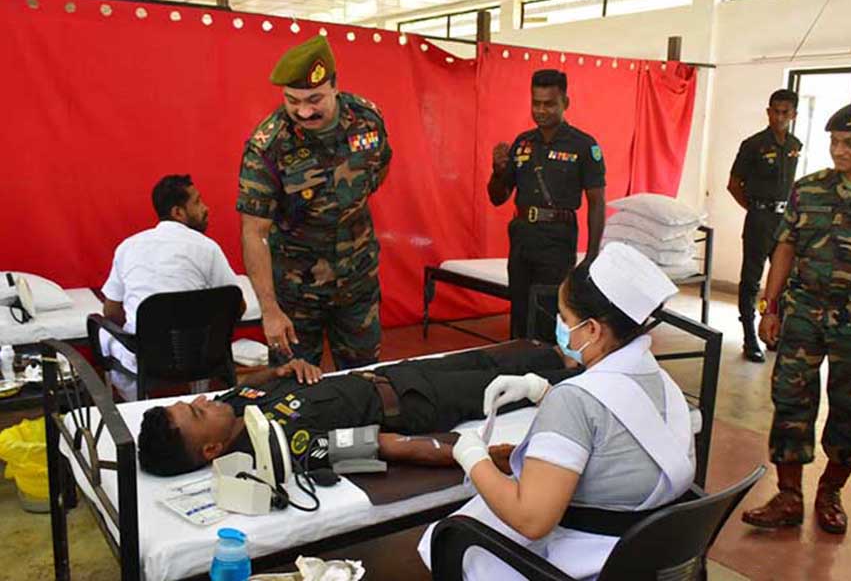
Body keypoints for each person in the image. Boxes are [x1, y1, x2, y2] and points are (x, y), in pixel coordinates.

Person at [418, 243, 695, 579]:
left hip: (589, 561)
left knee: (448, 536)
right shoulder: (662, 382)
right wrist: (542, 391)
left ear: (592, 329)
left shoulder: (575, 401)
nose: (560, 327)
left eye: (565, 318)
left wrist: (473, 457)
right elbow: (621, 424)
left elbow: (530, 519)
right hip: (647, 555)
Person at [742, 102, 851, 535]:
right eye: (834, 142)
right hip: (805, 311)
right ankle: (788, 495)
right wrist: (769, 307)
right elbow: (785, 247)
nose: (840, 151)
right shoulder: (808, 189)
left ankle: (831, 491)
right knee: (791, 400)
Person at [138, 341, 580, 476]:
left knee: (489, 359)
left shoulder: (232, 405)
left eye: (190, 401)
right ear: (213, 450)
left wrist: (277, 372)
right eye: (195, 413)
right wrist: (479, 458)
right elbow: (386, 445)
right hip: (417, 403)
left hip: (395, 373)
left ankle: (565, 359)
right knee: (508, 388)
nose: (202, 400)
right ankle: (589, 380)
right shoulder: (287, 448)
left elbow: (248, 385)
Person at [238, 35, 392, 372]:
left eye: (314, 99)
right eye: (293, 101)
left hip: (357, 283)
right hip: (296, 295)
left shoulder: (367, 119)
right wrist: (269, 310)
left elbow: (378, 171)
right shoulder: (269, 145)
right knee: (293, 390)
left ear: (335, 86)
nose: (304, 111)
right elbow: (254, 232)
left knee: (364, 382)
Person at [100, 175, 245, 401]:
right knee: (203, 329)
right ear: (178, 212)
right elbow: (238, 306)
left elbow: (110, 312)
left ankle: (135, 405)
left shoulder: (128, 247)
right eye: (197, 202)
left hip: (146, 358)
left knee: (102, 332)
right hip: (202, 356)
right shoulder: (208, 248)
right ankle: (201, 399)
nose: (206, 208)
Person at [488, 69, 606, 342]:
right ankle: (519, 367)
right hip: (521, 238)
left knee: (549, 314)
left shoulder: (583, 146)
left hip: (557, 240)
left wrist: (591, 256)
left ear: (565, 103)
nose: (541, 110)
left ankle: (547, 374)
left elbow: (596, 203)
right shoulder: (522, 143)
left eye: (549, 103)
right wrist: (497, 171)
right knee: (519, 312)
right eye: (536, 103)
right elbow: (498, 197)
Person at [727, 89, 802, 362]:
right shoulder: (753, 144)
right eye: (775, 111)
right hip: (760, 218)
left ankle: (773, 332)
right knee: (751, 280)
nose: (779, 117)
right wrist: (755, 209)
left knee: (782, 280)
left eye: (785, 112)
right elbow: (734, 185)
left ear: (794, 115)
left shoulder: (795, 145)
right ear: (768, 111)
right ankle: (749, 337)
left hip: (786, 219)